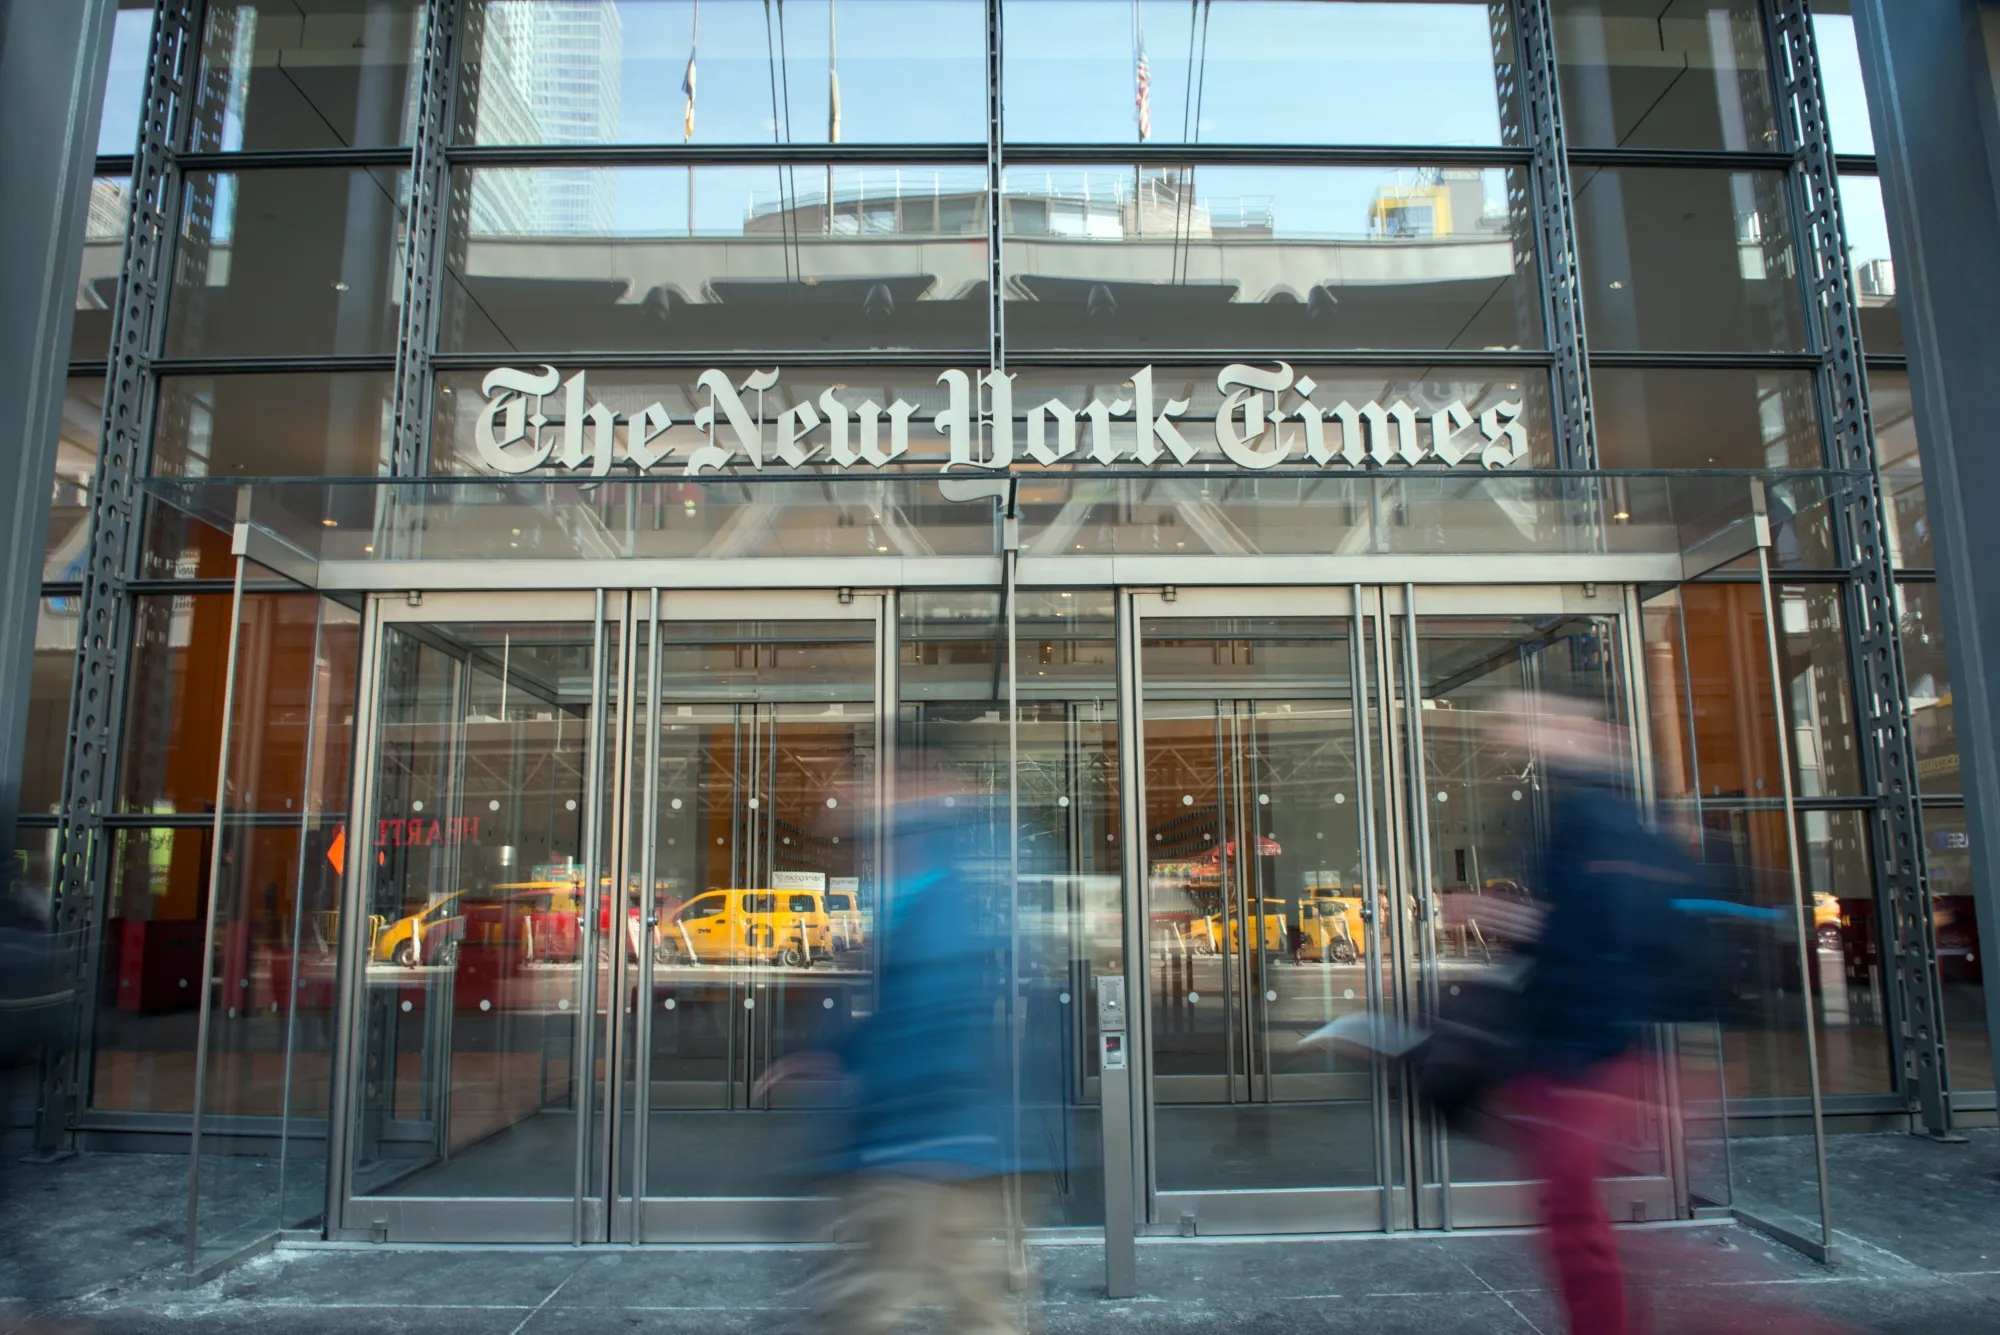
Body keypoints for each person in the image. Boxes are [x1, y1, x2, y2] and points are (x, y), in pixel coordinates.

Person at [782, 745, 1029, 1335]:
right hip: (955, 1138)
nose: (851, 807)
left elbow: (924, 1016)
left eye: (871, 788)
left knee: (866, 1303)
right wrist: (836, 1054)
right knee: (973, 1304)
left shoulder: (933, 891)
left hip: (915, 1140)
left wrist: (856, 1099)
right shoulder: (928, 883)